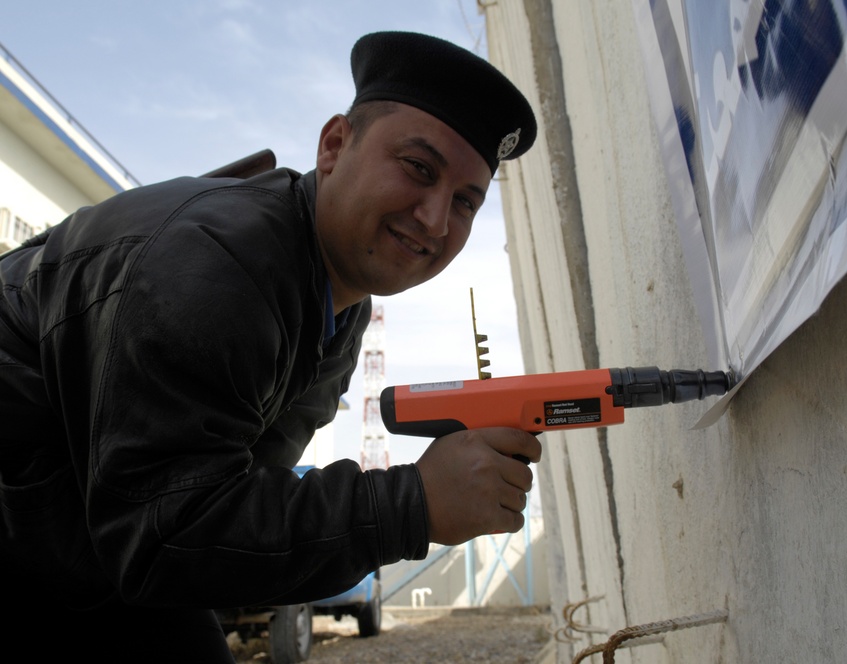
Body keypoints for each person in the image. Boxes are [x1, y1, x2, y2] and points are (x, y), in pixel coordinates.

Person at [0, 31, 542, 660]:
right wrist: (412, 504)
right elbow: (166, 538)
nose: (435, 219)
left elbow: (241, 494)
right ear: (335, 145)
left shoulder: (337, 308)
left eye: (466, 202)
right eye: (419, 169)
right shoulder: (218, 266)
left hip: (76, 547)